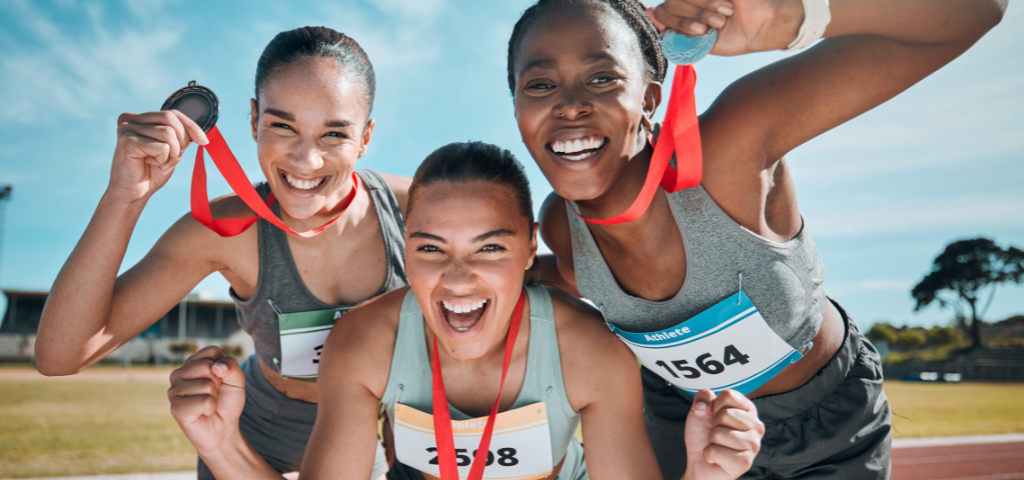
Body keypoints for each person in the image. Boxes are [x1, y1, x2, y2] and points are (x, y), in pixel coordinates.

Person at [506, 0, 1006, 478]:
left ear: (650, 98)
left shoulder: (728, 150)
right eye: (540, 84)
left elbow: (978, 11)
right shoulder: (560, 226)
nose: (570, 106)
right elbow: (557, 275)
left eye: (603, 78)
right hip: (683, 420)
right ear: (516, 110)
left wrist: (793, 18)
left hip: (825, 429)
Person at [166, 141, 765, 480]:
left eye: (490, 248)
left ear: (531, 247)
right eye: (431, 249)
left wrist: (703, 479)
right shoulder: (364, 341)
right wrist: (222, 447)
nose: (458, 278)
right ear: (407, 247)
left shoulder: (588, 350)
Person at [35, 26, 408, 480]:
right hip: (254, 425)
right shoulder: (225, 230)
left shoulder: (418, 211)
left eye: (334, 134)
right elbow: (59, 356)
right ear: (253, 121)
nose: (306, 161)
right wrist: (124, 196)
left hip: (360, 426)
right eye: (282, 126)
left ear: (365, 137)